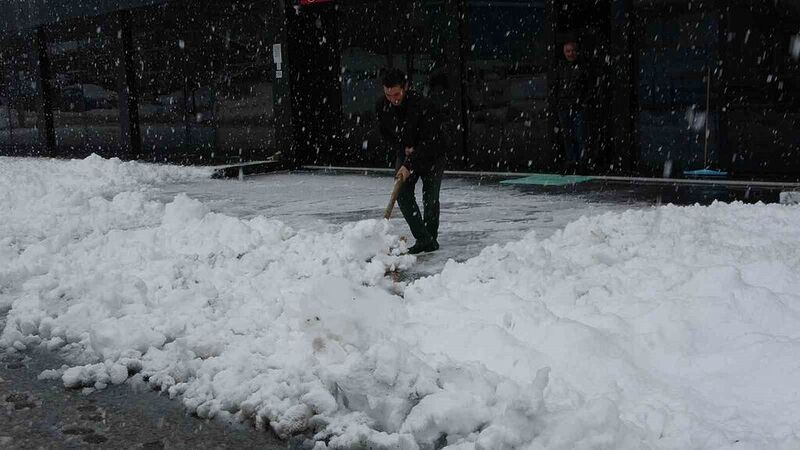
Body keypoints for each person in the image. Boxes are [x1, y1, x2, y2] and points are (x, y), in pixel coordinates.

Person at [373, 68, 445, 254]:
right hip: (405, 154)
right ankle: (424, 239)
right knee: (403, 195)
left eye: (396, 94)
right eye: (388, 94)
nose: (393, 99)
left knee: (430, 200)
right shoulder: (382, 106)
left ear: (405, 87)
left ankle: (430, 238)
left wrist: (410, 162)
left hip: (431, 156)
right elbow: (386, 134)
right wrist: (401, 147)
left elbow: (431, 140)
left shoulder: (423, 105)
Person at [553, 40, 590, 174]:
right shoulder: (561, 68)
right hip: (564, 106)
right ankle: (572, 162)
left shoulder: (582, 67)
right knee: (568, 136)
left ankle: (581, 163)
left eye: (572, 51)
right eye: (568, 51)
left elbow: (588, 87)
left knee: (580, 136)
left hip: (578, 106)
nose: (570, 54)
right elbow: (556, 86)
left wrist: (583, 102)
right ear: (564, 52)